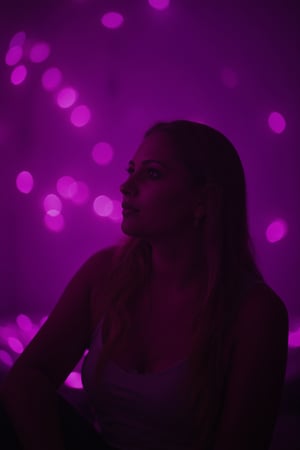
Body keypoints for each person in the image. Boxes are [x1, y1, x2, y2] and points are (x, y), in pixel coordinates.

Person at [0, 120, 289, 450]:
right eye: (130, 170)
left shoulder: (256, 313)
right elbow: (27, 378)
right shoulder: (104, 273)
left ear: (202, 200)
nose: (126, 186)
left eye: (152, 173)